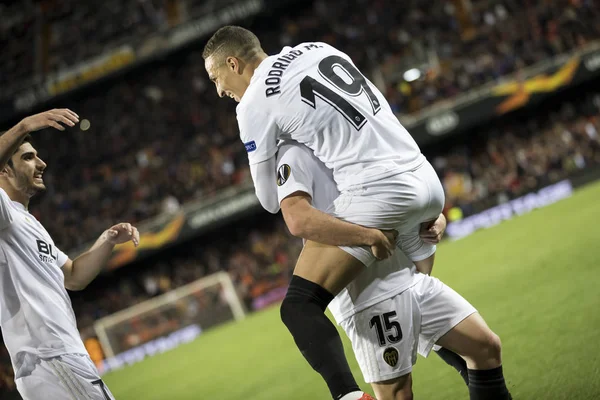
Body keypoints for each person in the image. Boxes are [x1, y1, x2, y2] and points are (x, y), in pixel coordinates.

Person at [203, 26, 510, 400]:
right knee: (480, 347)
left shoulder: (260, 114)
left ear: (233, 63)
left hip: (379, 199)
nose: (219, 91)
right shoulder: (317, 48)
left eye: (217, 77)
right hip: (421, 177)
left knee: (300, 305)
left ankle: (347, 396)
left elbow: (278, 206)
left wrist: (367, 234)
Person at [276, 140, 511, 399]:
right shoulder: (294, 153)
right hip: (368, 292)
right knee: (398, 394)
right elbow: (300, 220)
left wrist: (436, 218)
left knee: (485, 347)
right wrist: (366, 237)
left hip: (408, 273)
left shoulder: (358, 136)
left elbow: (402, 193)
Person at [0, 109, 140, 400]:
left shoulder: (27, 222)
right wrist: (24, 125)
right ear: (4, 170)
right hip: (51, 357)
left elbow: (73, 277)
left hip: (58, 359)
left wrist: (108, 239)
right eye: (27, 157)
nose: (41, 163)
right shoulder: (4, 216)